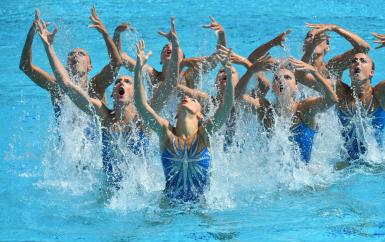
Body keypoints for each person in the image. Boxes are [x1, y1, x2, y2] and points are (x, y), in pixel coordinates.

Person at [35, 16, 178, 184]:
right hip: (110, 193)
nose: (121, 83)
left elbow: (170, 85)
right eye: (118, 81)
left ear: (135, 93)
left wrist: (175, 46)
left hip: (141, 192)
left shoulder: (144, 119)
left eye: (127, 81)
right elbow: (66, 84)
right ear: (112, 94)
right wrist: (49, 47)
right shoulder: (104, 116)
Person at [133, 31, 235, 202]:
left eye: (193, 99)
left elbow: (226, 106)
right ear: (176, 114)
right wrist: (137, 70)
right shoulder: (166, 133)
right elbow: (142, 107)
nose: (187, 98)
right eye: (186, 99)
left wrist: (229, 73)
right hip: (169, 204)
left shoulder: (205, 134)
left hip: (201, 204)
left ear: (200, 114)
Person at [19, 7, 123, 122]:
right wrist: (31, 34)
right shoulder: (56, 87)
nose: (75, 55)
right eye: (71, 54)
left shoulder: (96, 86)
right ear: (65, 66)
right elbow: (25, 67)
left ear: (90, 67)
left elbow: (117, 63)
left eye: (81, 53)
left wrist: (105, 34)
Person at [235, 56, 338, 163]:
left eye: (287, 77)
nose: (281, 80)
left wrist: (314, 72)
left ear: (296, 87)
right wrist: (250, 71)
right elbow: (238, 97)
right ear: (273, 88)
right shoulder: (265, 108)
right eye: (277, 78)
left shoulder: (304, 108)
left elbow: (332, 100)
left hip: (304, 175)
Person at [332, 33, 385, 160]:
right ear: (349, 71)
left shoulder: (379, 94)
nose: (357, 63)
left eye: (362, 61)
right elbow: (333, 70)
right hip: (346, 162)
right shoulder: (341, 92)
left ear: (371, 72)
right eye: (353, 61)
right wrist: (335, 28)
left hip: (375, 162)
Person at [297, 23, 371, 88]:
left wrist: (335, 28)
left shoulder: (332, 68)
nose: (314, 38)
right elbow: (299, 73)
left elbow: (364, 49)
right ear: (304, 46)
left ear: (327, 47)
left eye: (319, 36)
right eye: (310, 36)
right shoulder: (291, 66)